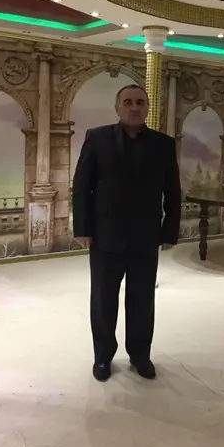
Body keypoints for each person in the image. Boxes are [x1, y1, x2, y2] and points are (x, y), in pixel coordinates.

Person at [73, 84, 182, 382]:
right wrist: (82, 229)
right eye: (128, 102)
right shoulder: (97, 139)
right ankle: (103, 356)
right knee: (103, 299)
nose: (134, 107)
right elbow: (82, 187)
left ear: (147, 107)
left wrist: (169, 231)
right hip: (105, 235)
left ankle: (140, 354)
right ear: (117, 108)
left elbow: (173, 191)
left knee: (142, 300)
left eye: (140, 102)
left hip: (145, 236)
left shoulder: (163, 144)